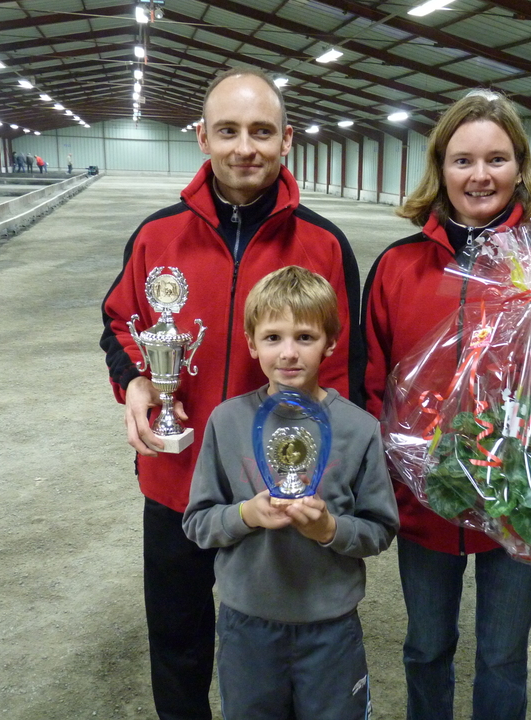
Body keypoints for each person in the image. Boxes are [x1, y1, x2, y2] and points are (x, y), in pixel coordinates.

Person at [100, 67, 363, 720]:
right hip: (176, 478)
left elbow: (344, 371)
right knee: (179, 643)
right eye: (228, 131)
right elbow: (118, 322)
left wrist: (324, 483)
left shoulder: (324, 244)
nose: (245, 146)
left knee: (271, 647)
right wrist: (136, 379)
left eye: (261, 131)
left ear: (287, 140)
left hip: (275, 490)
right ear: (202, 138)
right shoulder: (157, 237)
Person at [361, 90, 531, 720]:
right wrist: (388, 485)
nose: (480, 175)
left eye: (496, 159)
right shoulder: (399, 266)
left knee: (503, 654)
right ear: (440, 168)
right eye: (463, 160)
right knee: (425, 647)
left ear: (519, 166)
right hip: (426, 504)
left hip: (523, 503)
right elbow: (368, 383)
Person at [183, 265, 398, 720]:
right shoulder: (227, 421)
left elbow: (379, 530)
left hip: (330, 626)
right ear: (251, 342)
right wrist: (246, 515)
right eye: (273, 337)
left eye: (305, 337)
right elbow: (198, 522)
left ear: (332, 343)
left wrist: (328, 528)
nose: (288, 353)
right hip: (248, 624)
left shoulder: (358, 429)